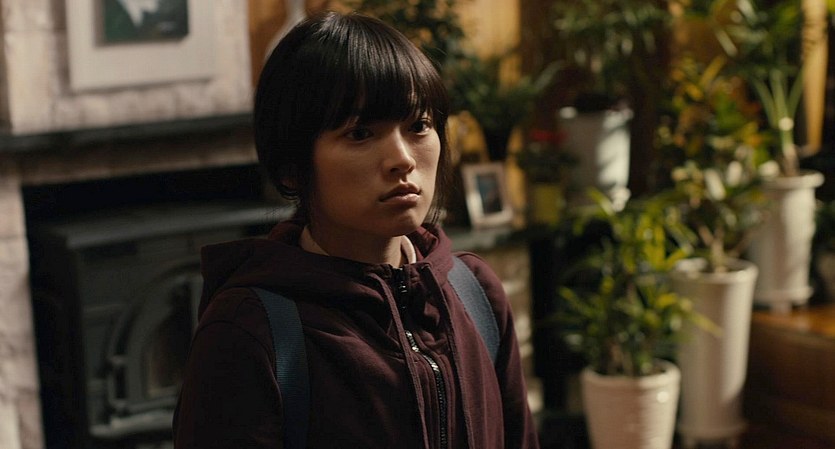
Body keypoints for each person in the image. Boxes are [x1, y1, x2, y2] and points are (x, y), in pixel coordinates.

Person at [173, 10, 539, 449]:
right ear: (292, 168)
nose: (402, 159)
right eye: (361, 133)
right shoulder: (249, 332)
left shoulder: (475, 294)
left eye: (419, 126)